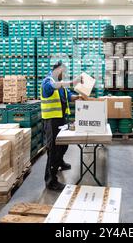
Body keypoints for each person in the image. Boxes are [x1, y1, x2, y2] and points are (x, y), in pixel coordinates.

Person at [41, 61, 82, 191]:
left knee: (64, 144)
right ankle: (50, 180)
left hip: (61, 119)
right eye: (63, 72)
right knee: (53, 149)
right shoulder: (47, 82)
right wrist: (72, 82)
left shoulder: (60, 85)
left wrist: (78, 97)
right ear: (58, 70)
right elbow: (54, 86)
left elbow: (67, 95)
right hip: (52, 120)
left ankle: (59, 163)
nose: (64, 75)